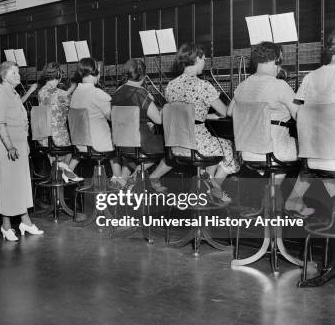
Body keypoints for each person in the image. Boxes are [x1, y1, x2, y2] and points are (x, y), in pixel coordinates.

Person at [165, 43, 239, 204]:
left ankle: (207, 184)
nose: (205, 62)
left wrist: (207, 116)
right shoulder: (203, 86)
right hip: (197, 145)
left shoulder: (170, 86)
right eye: (203, 59)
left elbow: (185, 112)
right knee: (231, 148)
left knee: (214, 146)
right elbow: (225, 112)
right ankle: (213, 189)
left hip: (177, 146)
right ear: (196, 58)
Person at [285, 30, 335, 216]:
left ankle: (293, 199)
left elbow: (299, 111)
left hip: (312, 160)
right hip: (329, 157)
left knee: (322, 163)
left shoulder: (310, 77)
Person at [0, 61, 43, 241]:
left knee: (20, 184)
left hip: (19, 144)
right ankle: (5, 226)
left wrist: (23, 143)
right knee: (8, 186)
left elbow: (19, 116)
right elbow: (1, 123)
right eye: (13, 73)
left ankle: (25, 222)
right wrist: (10, 146)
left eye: (18, 73)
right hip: (8, 146)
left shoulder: (12, 93)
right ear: (3, 76)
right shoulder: (0, 94)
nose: (18, 76)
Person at [111, 59, 171, 192]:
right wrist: (165, 108)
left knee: (131, 153)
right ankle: (133, 179)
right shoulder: (141, 93)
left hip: (120, 144)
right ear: (144, 75)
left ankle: (124, 180)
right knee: (173, 146)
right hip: (141, 144)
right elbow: (159, 120)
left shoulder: (117, 91)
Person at [69, 58, 119, 182]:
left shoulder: (75, 93)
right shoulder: (97, 93)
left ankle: (69, 169)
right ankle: (118, 178)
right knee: (119, 143)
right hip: (98, 145)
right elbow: (113, 118)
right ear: (95, 73)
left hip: (80, 144)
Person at [37, 62, 81, 182]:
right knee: (79, 147)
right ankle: (64, 172)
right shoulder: (61, 93)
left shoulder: (41, 92)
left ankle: (59, 172)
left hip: (44, 138)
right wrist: (73, 87)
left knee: (57, 159)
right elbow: (74, 107)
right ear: (59, 75)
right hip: (58, 139)